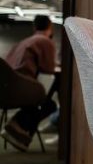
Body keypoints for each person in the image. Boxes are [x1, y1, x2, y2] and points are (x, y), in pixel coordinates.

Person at [1, 14, 58, 151]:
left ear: (34, 27)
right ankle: (16, 125)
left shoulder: (24, 41)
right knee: (49, 104)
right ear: (50, 27)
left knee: (38, 104)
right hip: (21, 87)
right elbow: (49, 68)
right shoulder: (45, 41)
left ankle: (18, 131)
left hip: (5, 90)